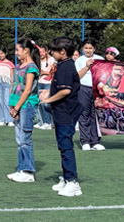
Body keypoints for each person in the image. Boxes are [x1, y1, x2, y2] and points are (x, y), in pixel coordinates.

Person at [41, 37, 84, 197]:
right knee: (62, 146)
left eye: (54, 50)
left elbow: (66, 90)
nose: (51, 53)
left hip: (66, 112)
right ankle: (66, 178)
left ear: (63, 51)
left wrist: (48, 100)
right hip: (61, 112)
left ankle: (72, 182)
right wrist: (49, 92)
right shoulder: (63, 65)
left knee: (66, 147)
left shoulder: (66, 66)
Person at [7, 39, 41, 183]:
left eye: (18, 50)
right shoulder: (18, 66)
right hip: (17, 105)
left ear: (26, 50)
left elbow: (27, 90)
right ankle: (21, 169)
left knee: (25, 139)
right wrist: (11, 105)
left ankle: (28, 171)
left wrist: (17, 107)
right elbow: (14, 86)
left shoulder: (31, 67)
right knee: (19, 139)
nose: (16, 53)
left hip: (26, 105)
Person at [75, 38, 105, 151]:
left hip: (97, 90)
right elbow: (77, 76)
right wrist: (87, 66)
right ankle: (85, 141)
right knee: (84, 114)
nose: (88, 50)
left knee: (95, 115)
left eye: (90, 48)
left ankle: (95, 141)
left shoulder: (100, 59)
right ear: (83, 49)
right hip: (83, 89)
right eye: (86, 48)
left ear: (94, 49)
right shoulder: (79, 60)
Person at [0, 48, 15, 126]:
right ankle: (1, 119)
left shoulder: (10, 64)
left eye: (2, 53)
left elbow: (12, 75)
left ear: (5, 53)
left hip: (7, 84)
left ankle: (9, 119)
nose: (0, 55)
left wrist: (12, 86)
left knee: (7, 101)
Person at [36, 46, 56, 130]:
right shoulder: (38, 60)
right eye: (40, 52)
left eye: (43, 52)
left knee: (46, 103)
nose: (41, 54)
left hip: (48, 83)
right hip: (40, 82)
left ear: (47, 52)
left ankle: (49, 122)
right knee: (40, 103)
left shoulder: (51, 60)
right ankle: (43, 121)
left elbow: (53, 72)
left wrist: (44, 72)